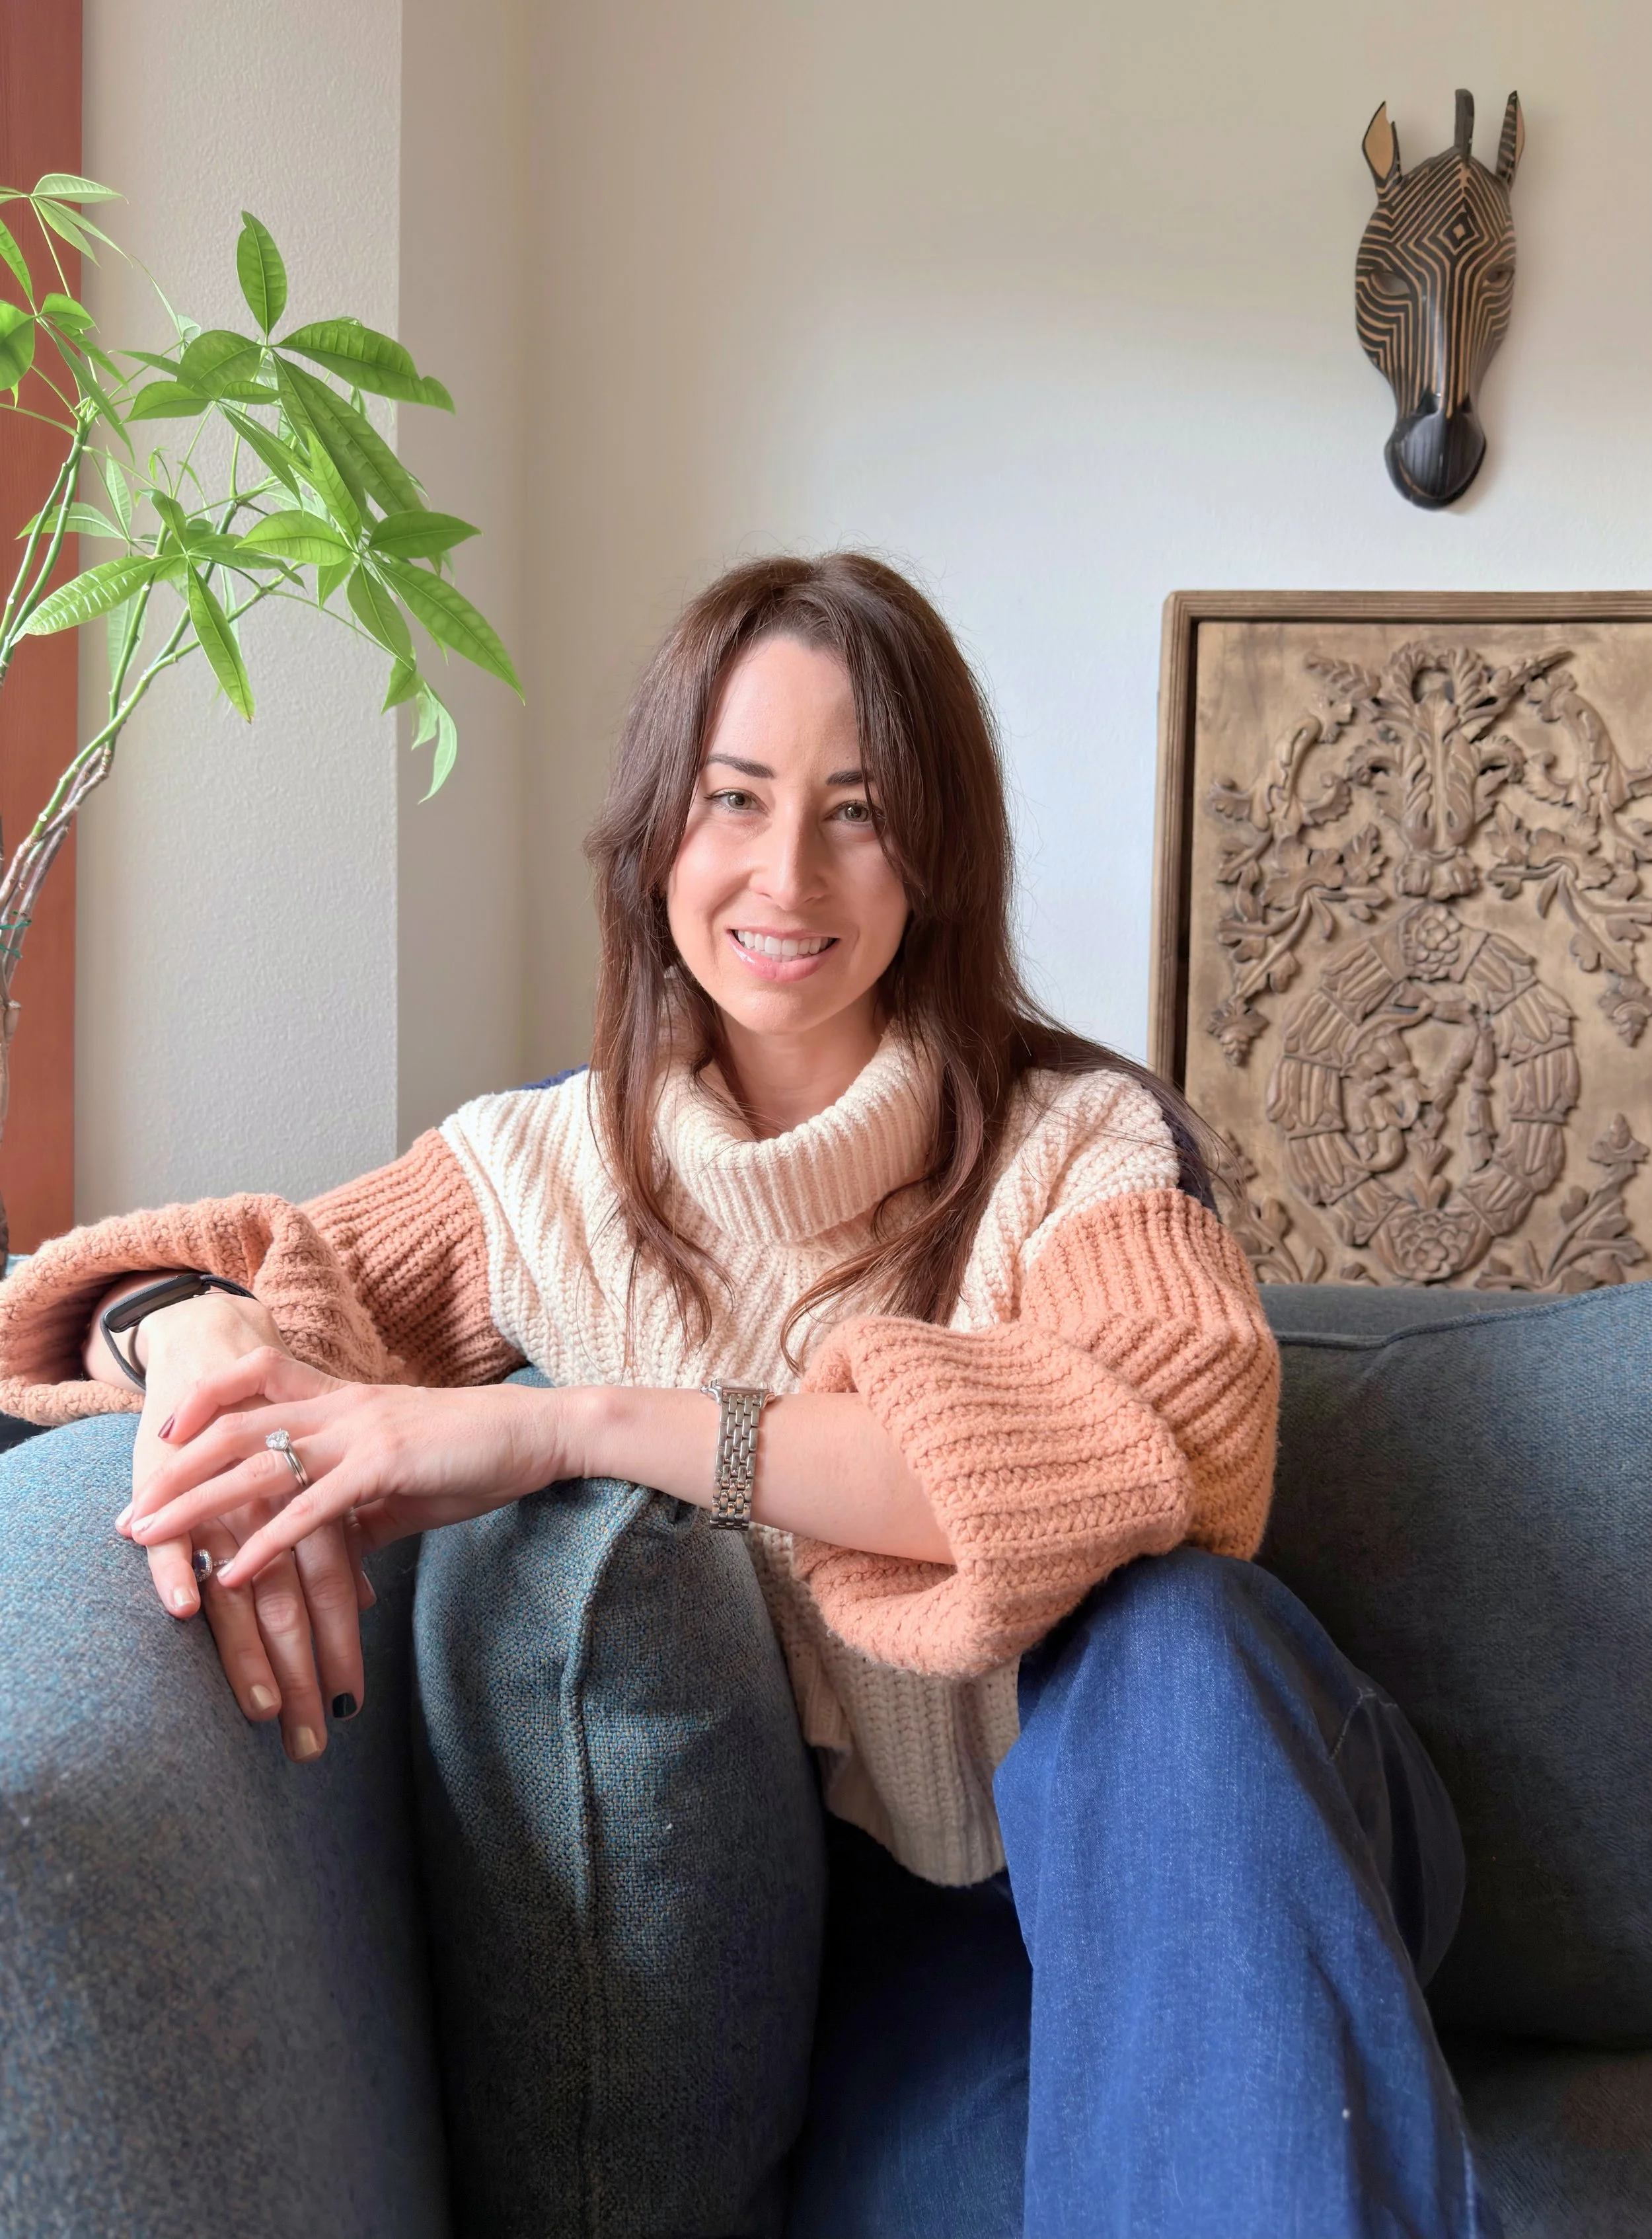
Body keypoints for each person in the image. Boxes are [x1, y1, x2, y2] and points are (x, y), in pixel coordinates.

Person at [0, 554, 1496, 2238]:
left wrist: (571, 1419)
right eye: (733, 798)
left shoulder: (1079, 1141)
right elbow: (155, 1286)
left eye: (856, 810)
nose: (786, 871)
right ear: (658, 833)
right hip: (915, 1943)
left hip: (1216, 1805)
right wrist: (190, 1331)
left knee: (1168, 1637)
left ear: (934, 851)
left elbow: (1170, 1435)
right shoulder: (543, 1176)